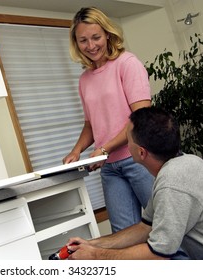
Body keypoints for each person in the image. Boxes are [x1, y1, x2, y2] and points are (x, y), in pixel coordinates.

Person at [66, 107, 203, 260]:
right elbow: (145, 227)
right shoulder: (186, 161)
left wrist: (96, 256)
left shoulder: (172, 183)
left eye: (128, 141)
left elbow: (157, 255)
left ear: (141, 152)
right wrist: (93, 244)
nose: (126, 145)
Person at [63, 7, 154, 233]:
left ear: (107, 34)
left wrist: (104, 148)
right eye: (83, 40)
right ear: (76, 44)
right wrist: (76, 152)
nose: (91, 45)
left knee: (166, 226)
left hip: (141, 159)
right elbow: (90, 124)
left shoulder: (127, 63)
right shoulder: (84, 80)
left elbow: (140, 118)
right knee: (122, 235)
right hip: (110, 168)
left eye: (96, 37)